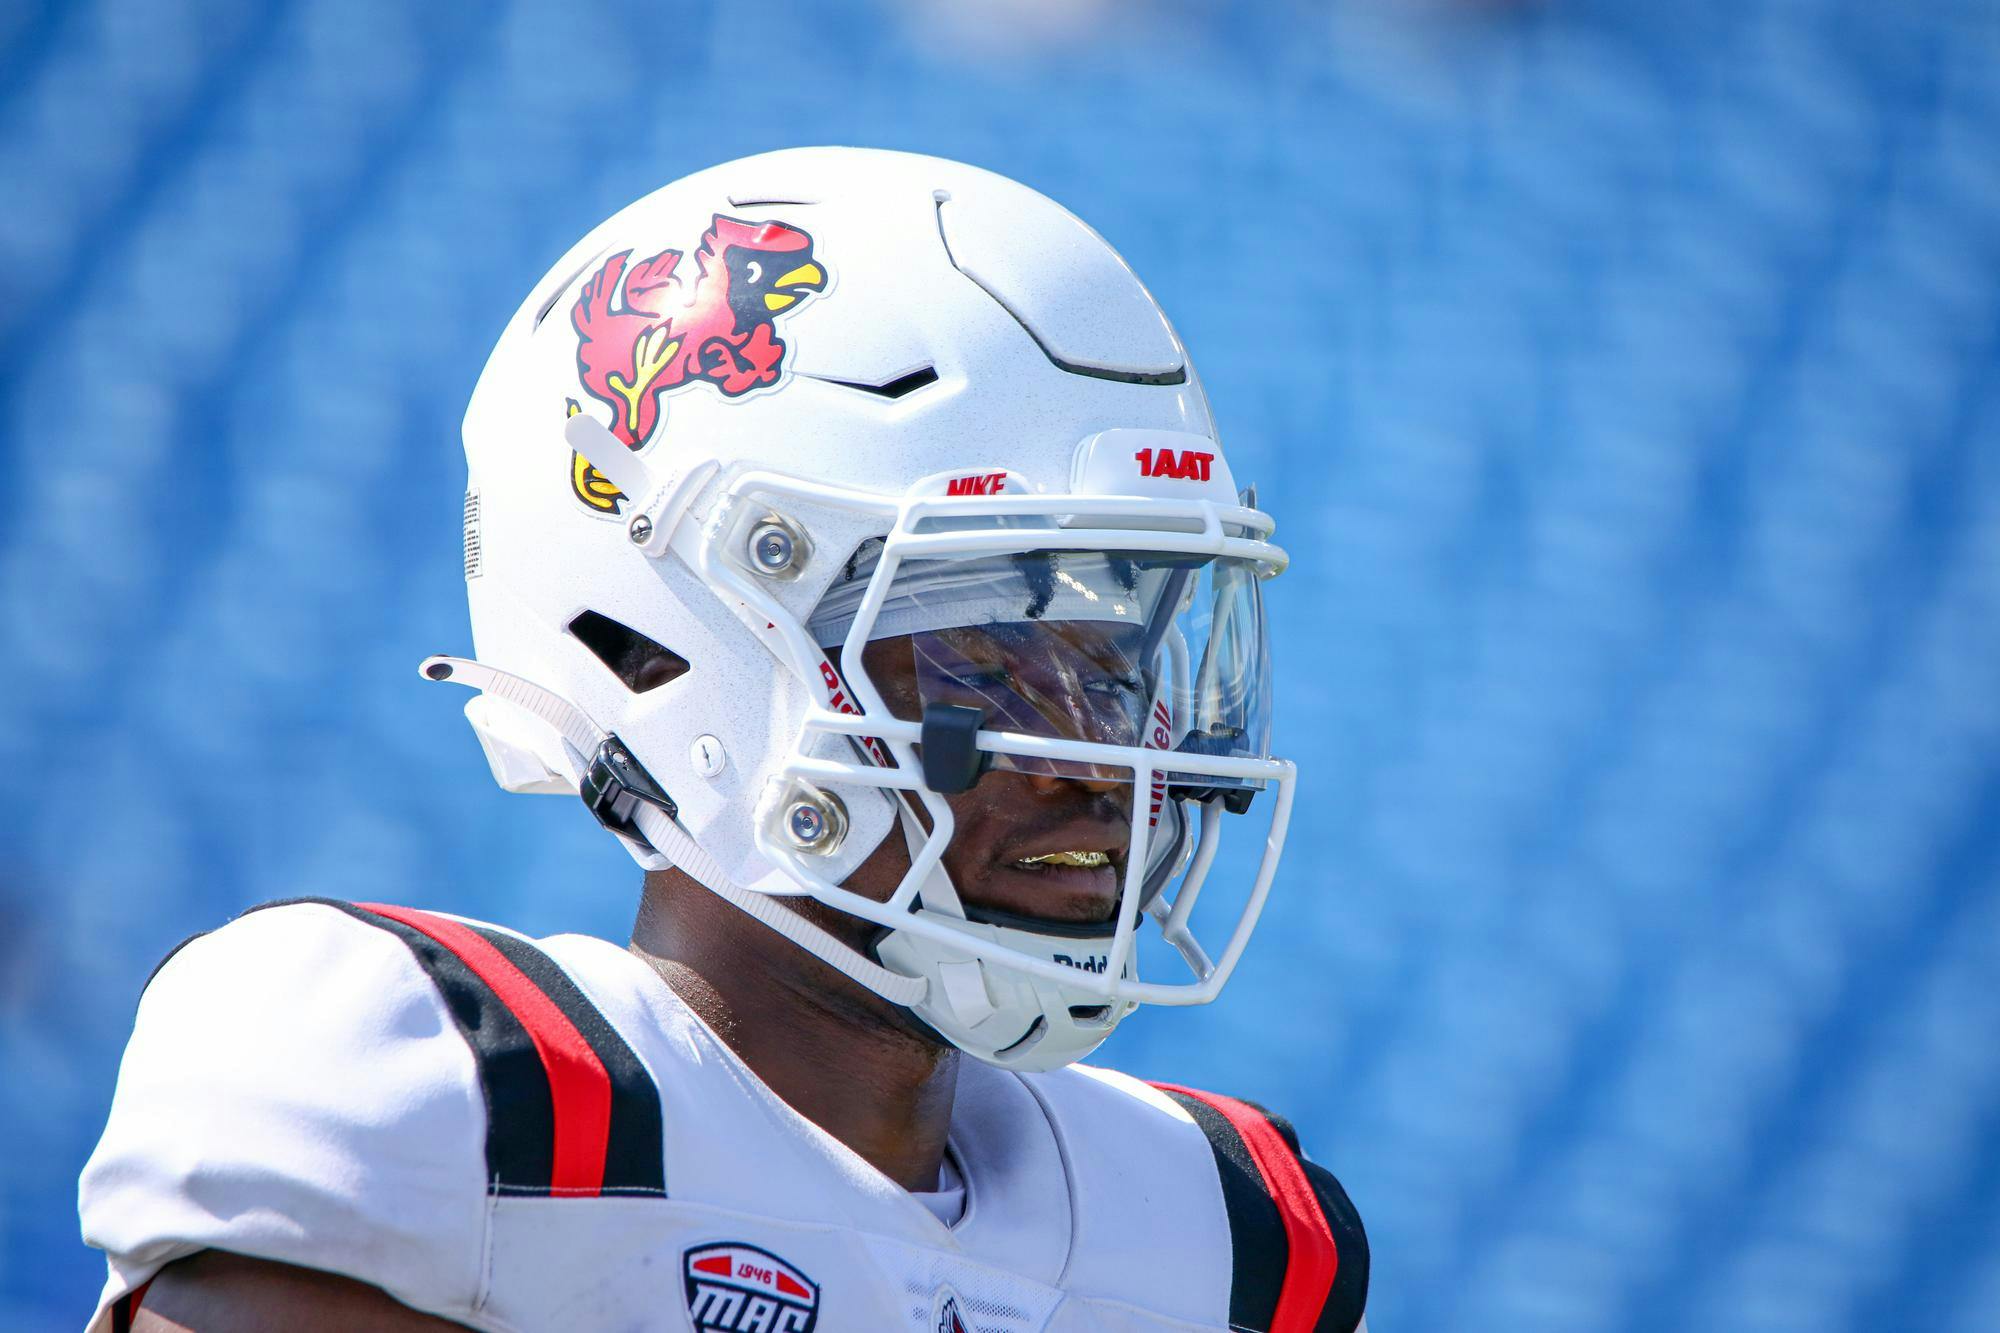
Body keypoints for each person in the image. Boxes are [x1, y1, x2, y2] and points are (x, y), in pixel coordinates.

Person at [79, 148, 1369, 1333]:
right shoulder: (460, 1105)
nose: (1096, 761)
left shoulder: (1225, 1240)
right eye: (983, 664)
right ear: (651, 650)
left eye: (1112, 668)